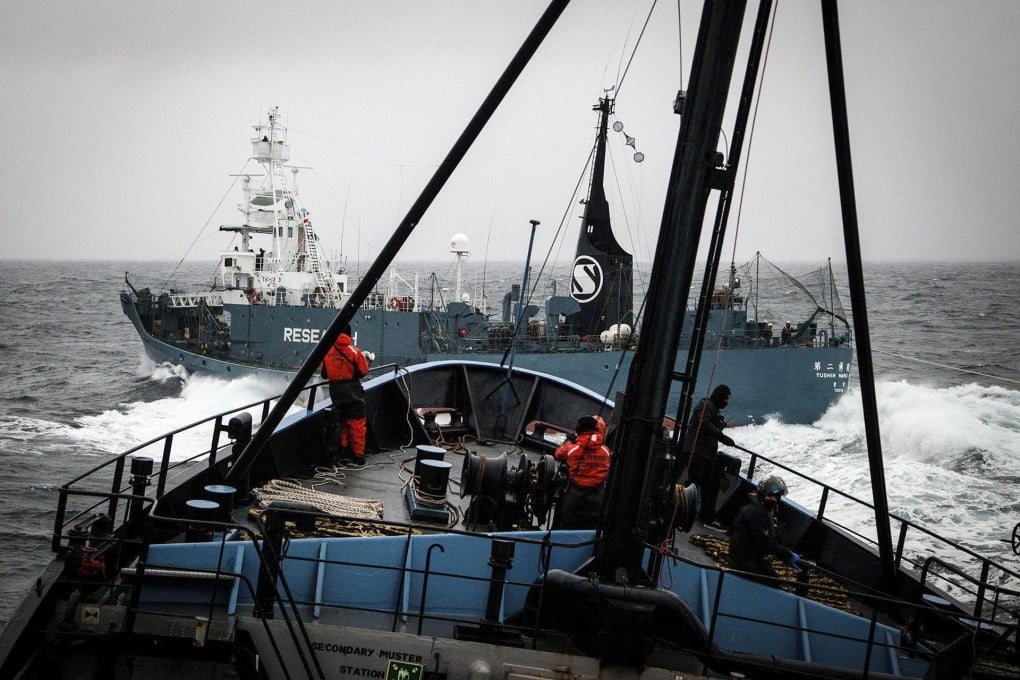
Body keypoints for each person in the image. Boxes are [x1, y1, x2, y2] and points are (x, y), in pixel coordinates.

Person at [728, 475, 801, 583]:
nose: (773, 500)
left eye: (776, 497)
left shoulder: (762, 511)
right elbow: (764, 542)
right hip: (743, 562)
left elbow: (772, 539)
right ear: (762, 494)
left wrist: (786, 551)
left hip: (752, 558)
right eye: (770, 496)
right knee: (773, 583)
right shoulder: (754, 513)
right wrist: (788, 555)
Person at [683, 384, 737, 528]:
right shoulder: (706, 405)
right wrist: (722, 436)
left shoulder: (713, 410)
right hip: (696, 452)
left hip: (705, 455)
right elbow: (704, 423)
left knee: (709, 486)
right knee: (694, 484)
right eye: (725, 399)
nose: (726, 402)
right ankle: (684, 511)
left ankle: (705, 517)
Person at [321, 324, 370, 466]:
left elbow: (324, 374)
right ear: (349, 335)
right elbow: (363, 372)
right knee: (357, 424)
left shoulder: (327, 352)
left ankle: (342, 451)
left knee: (342, 422)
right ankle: (358, 457)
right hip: (353, 393)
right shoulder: (354, 352)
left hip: (336, 393)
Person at [553, 415, 611, 529]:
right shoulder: (606, 451)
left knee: (567, 526)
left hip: (575, 495)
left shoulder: (571, 449)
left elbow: (558, 454)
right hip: (597, 496)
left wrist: (569, 442)